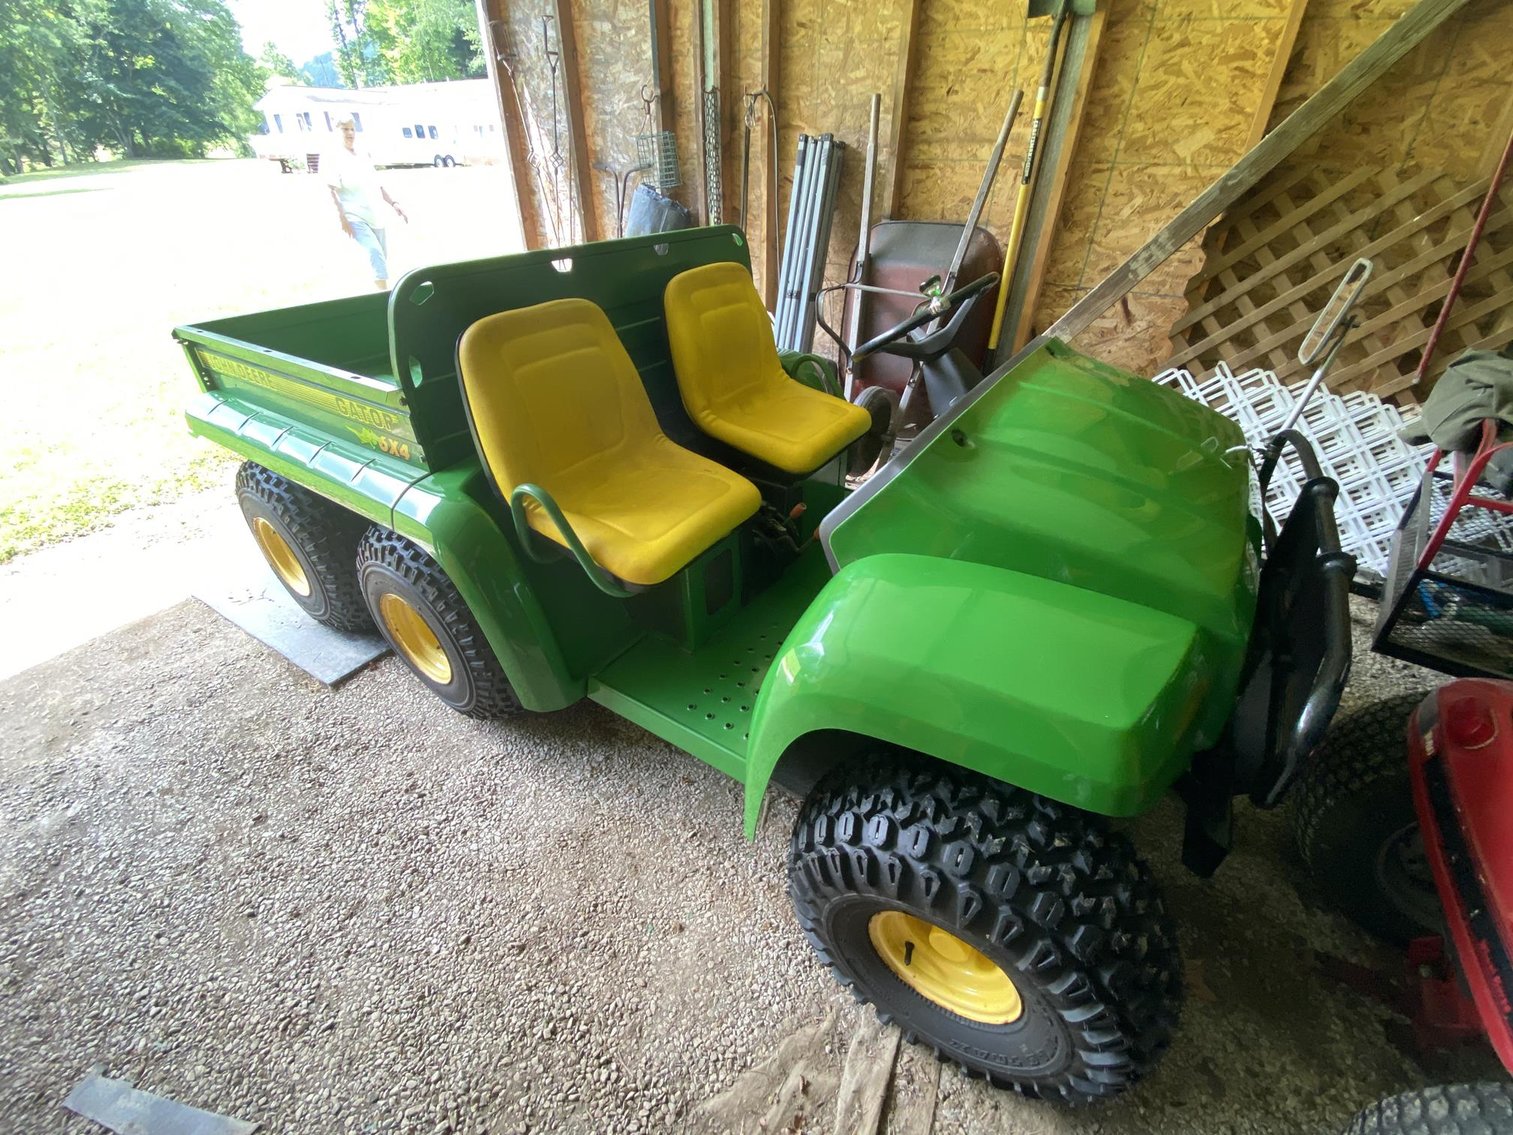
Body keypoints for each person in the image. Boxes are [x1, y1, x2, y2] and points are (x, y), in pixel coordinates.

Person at [324, 116, 407, 289]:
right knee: (375, 254)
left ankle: (377, 292)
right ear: (336, 132)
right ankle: (381, 301)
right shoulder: (333, 157)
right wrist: (342, 218)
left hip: (375, 214)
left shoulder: (362, 154)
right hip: (354, 215)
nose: (350, 133)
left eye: (352, 129)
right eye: (345, 129)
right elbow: (332, 190)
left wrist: (394, 204)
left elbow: (377, 184)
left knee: (381, 258)